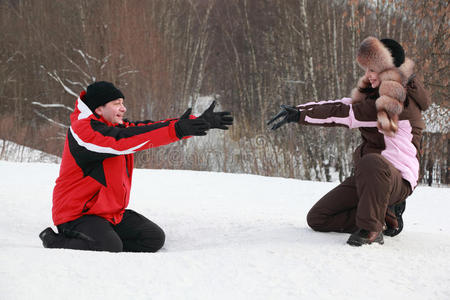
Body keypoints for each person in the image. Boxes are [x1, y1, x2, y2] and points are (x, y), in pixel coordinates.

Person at [268, 37, 430, 246]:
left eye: (373, 69)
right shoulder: (376, 93)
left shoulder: (397, 100)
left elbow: (346, 113)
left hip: (395, 178)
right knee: (318, 218)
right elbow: (344, 104)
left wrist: (300, 116)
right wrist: (299, 110)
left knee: (372, 161)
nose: (368, 75)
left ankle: (371, 228)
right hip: (370, 178)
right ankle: (383, 217)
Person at [39, 81, 233, 252]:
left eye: (122, 103)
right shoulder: (83, 131)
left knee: (153, 239)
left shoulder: (116, 127)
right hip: (76, 214)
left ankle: (105, 238)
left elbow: (145, 128)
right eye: (117, 104)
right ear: (99, 109)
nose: (123, 108)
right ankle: (55, 241)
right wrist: (177, 130)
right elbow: (122, 141)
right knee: (109, 246)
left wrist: (195, 123)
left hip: (110, 214)